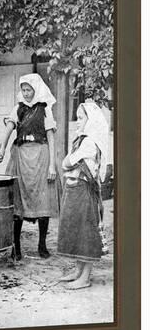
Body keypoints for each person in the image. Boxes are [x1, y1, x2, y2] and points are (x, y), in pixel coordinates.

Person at [0, 73, 60, 260]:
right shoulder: (18, 109)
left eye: (29, 89)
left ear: (36, 89)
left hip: (41, 156)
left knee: (43, 200)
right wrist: (1, 150)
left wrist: (52, 166)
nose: (26, 93)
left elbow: (51, 138)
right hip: (21, 156)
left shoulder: (45, 109)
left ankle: (42, 246)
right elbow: (7, 132)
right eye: (23, 89)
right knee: (18, 202)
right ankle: (16, 247)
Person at [57, 101, 109, 289]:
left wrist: (69, 161)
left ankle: (85, 277)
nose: (77, 122)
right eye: (77, 118)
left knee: (85, 233)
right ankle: (79, 270)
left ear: (91, 120)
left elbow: (66, 162)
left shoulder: (89, 142)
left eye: (81, 118)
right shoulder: (82, 139)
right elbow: (69, 163)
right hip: (75, 189)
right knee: (77, 230)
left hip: (83, 191)